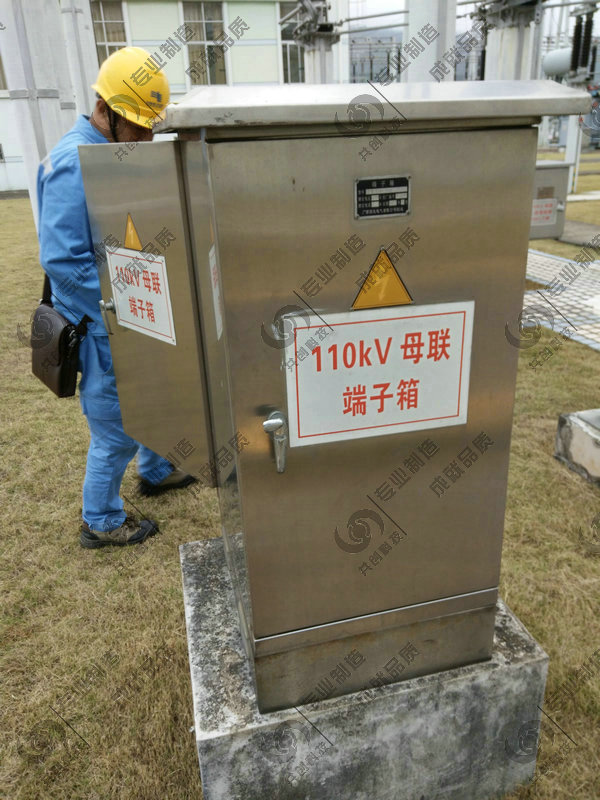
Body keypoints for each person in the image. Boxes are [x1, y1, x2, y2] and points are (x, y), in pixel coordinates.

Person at [37, 47, 195, 550]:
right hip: (102, 323)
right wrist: (125, 302)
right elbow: (62, 261)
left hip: (126, 310)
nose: (147, 138)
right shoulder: (74, 163)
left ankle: (156, 469)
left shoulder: (105, 153)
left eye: (152, 128)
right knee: (115, 428)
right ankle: (101, 521)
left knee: (151, 396)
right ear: (105, 110)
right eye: (139, 127)